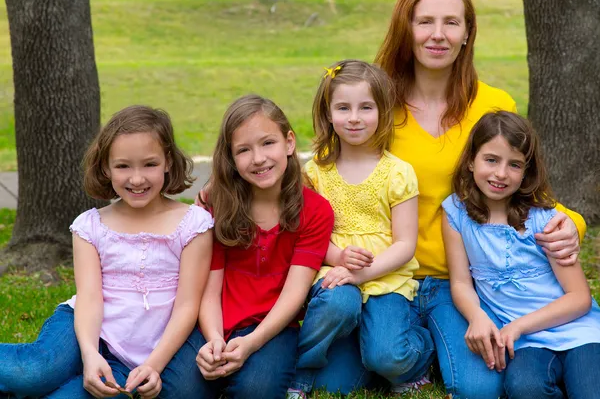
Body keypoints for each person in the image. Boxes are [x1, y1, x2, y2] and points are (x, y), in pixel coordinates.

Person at [369, 0, 586, 399]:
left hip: (461, 283)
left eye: (452, 22)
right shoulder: (377, 104)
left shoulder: (494, 104)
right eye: (424, 21)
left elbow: (525, 187)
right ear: (405, 29)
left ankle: (435, 342)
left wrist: (570, 226)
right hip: (390, 275)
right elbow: (327, 174)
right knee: (380, 356)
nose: (438, 35)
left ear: (468, 32)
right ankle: (409, 346)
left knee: (481, 388)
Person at [0, 105, 214, 399]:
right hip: (85, 331)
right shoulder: (91, 226)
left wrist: (154, 365)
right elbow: (89, 297)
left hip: (145, 355)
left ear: (168, 162)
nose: (137, 179)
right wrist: (89, 354)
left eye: (149, 164)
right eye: (123, 166)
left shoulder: (193, 225)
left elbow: (188, 306)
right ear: (105, 168)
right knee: (35, 372)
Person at [287, 60, 435, 398]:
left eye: (366, 107)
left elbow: (404, 245)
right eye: (343, 107)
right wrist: (339, 258)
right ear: (327, 113)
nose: (354, 117)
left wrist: (360, 274)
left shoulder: (397, 173)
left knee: (386, 357)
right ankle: (303, 372)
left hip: (385, 276)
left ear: (382, 112)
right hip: (334, 273)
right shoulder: (316, 172)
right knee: (339, 307)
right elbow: (307, 236)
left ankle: (418, 349)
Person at [442, 111, 600, 399]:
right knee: (524, 388)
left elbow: (579, 298)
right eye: (491, 160)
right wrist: (476, 315)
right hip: (527, 344)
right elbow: (461, 282)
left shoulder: (544, 219)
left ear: (526, 171)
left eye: (514, 164)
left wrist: (517, 326)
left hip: (578, 332)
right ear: (470, 160)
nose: (501, 174)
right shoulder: (456, 214)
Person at [194, 95, 334, 399]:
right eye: (243, 150)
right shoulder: (215, 205)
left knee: (255, 391)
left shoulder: (316, 210)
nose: (258, 159)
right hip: (213, 320)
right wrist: (214, 339)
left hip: (273, 328)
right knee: (180, 389)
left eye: (267, 143)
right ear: (231, 159)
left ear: (289, 143)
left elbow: (295, 293)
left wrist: (252, 343)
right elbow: (208, 287)